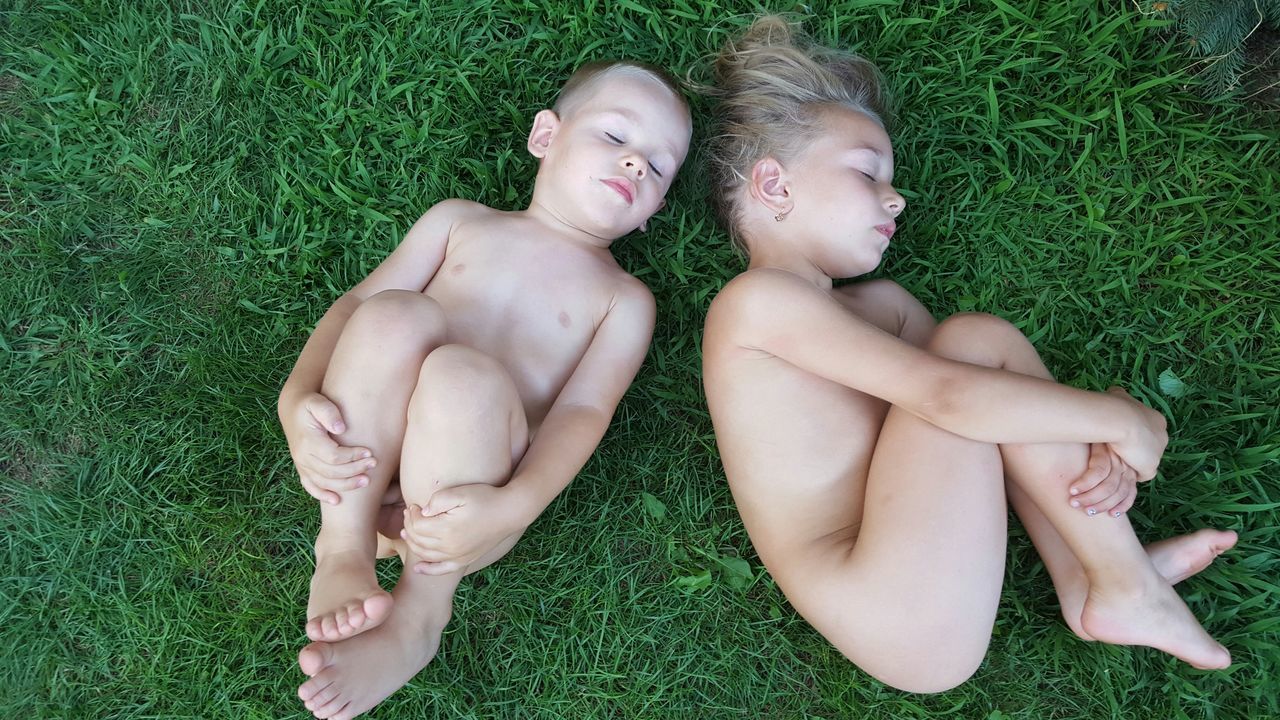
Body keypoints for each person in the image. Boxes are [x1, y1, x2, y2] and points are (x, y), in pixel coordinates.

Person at [700, 16, 1236, 693]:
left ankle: (1096, 576)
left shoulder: (884, 309)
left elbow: (998, 417)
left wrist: (1089, 425)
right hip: (889, 605)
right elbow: (951, 396)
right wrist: (1114, 422)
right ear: (774, 187)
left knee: (982, 354)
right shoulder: (753, 303)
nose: (895, 197)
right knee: (973, 347)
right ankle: (1121, 582)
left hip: (919, 579)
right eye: (868, 173)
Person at [278, 60, 692, 719]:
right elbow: (351, 306)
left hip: (469, 508)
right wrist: (296, 402)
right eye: (616, 137)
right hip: (366, 454)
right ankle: (342, 545)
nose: (637, 163)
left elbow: (584, 412)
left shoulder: (623, 300)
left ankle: (421, 612)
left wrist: (516, 506)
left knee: (460, 373)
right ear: (545, 136)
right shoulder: (458, 222)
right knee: (391, 313)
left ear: (655, 212)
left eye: (659, 165)